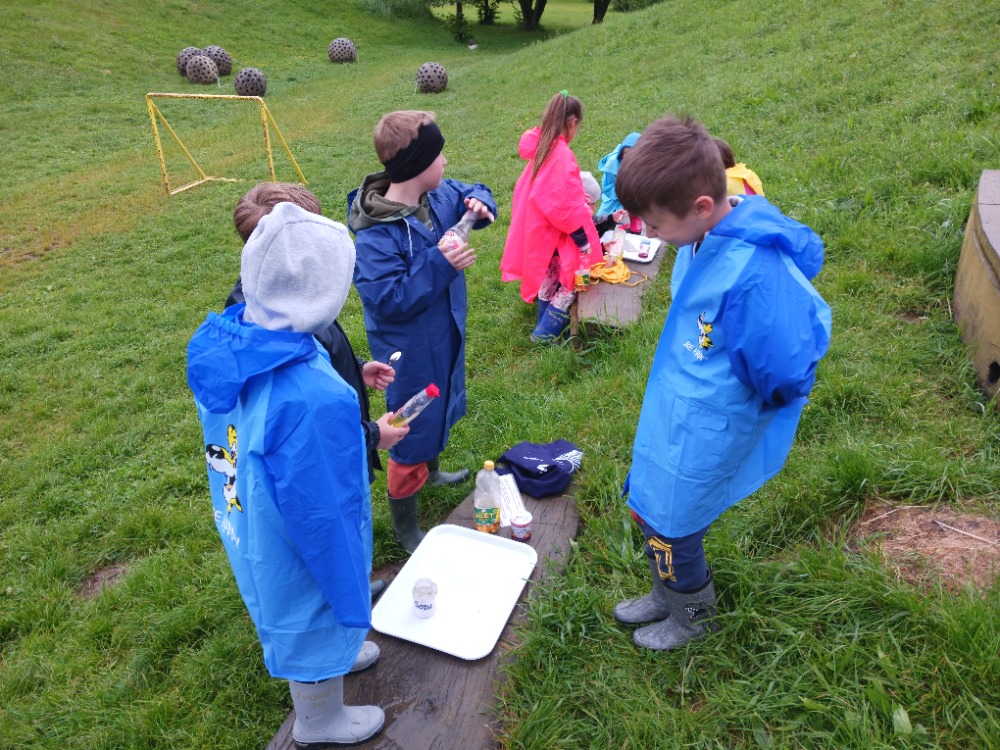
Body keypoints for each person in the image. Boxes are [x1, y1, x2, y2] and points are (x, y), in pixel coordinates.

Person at [611, 115, 832, 651]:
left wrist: (729, 398)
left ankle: (694, 616)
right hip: (678, 410)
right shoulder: (702, 234)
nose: (649, 235)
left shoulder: (754, 274)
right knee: (650, 510)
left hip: (709, 424)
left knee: (676, 530)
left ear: (702, 206)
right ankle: (665, 594)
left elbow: (785, 369)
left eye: (655, 225)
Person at [187, 201, 388, 745]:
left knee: (293, 603)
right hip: (295, 531)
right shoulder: (310, 395)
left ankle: (337, 651)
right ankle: (320, 721)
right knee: (311, 608)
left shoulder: (237, 341)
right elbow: (322, 511)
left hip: (250, 516)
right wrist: (348, 582)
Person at [225, 182, 408, 600]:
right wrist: (374, 435)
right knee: (334, 522)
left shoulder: (282, 297)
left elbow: (324, 356)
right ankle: (342, 604)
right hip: (329, 459)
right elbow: (308, 439)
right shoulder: (284, 329)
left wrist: (356, 369)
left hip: (339, 441)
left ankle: (350, 582)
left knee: (345, 519)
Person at [347, 110, 496, 553]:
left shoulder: (439, 194)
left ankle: (429, 472)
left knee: (439, 404)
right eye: (438, 155)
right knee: (408, 427)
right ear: (417, 165)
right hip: (407, 353)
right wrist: (440, 263)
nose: (445, 162)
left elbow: (470, 190)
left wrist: (480, 202)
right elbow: (386, 298)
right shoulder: (376, 235)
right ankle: (406, 524)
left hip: (443, 333)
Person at [501, 91, 601, 342]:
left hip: (538, 231)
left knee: (549, 278)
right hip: (556, 234)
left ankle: (541, 324)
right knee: (573, 282)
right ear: (573, 122)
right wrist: (583, 241)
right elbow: (563, 204)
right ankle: (545, 334)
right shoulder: (561, 155)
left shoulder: (542, 147)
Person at [596, 131, 643, 232]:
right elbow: (607, 188)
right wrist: (624, 190)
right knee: (603, 223)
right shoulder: (613, 165)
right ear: (621, 153)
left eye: (633, 154)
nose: (628, 158)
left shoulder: (644, 164)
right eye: (626, 153)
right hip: (614, 199)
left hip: (635, 200)